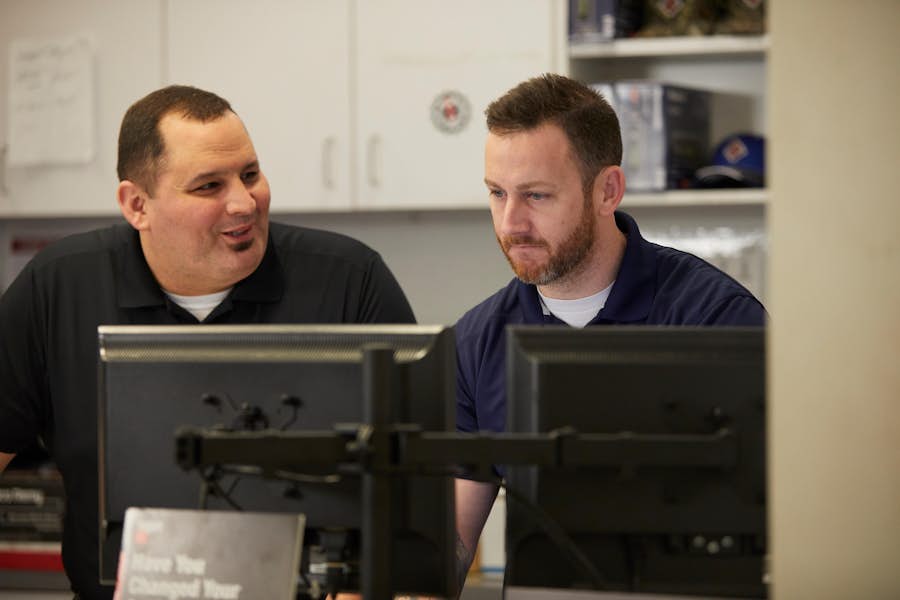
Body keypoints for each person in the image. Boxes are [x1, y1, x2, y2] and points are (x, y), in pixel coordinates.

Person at [0, 85, 415, 599]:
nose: (243, 202)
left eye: (250, 174)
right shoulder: (57, 288)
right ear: (137, 205)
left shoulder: (351, 281)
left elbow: (417, 484)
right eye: (208, 186)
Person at [453, 73, 766, 579]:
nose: (510, 223)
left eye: (536, 196)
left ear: (608, 190)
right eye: (497, 193)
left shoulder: (717, 321)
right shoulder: (477, 342)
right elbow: (453, 540)